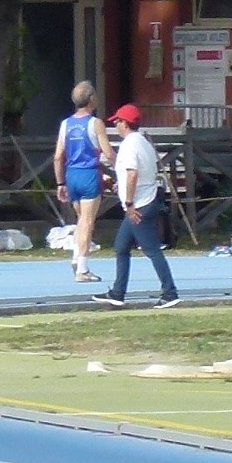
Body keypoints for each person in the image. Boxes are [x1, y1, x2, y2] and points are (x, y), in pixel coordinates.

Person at [93, 104, 179, 309]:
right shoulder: (143, 142)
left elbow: (132, 173)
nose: (116, 124)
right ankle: (117, 292)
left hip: (139, 205)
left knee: (152, 250)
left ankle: (170, 292)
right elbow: (138, 173)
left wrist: (129, 203)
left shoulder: (129, 145)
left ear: (125, 123)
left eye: (118, 121)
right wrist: (121, 185)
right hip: (147, 199)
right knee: (121, 246)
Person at [54, 83, 113, 282]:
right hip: (89, 173)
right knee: (87, 222)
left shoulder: (65, 124)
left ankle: (76, 256)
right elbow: (108, 152)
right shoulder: (95, 123)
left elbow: (58, 156)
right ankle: (82, 267)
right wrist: (119, 168)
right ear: (91, 99)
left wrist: (60, 183)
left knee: (81, 219)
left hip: (71, 175)